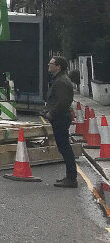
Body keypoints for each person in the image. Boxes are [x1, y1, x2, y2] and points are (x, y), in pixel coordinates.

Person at [45, 56, 77, 188]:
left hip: (60, 118)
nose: (49, 64)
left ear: (58, 67)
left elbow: (63, 102)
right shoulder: (59, 79)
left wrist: (51, 113)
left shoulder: (62, 81)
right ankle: (70, 177)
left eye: (51, 63)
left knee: (65, 148)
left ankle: (71, 178)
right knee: (64, 147)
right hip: (60, 117)